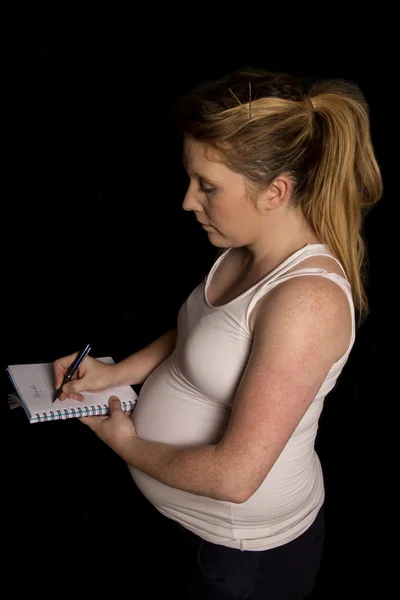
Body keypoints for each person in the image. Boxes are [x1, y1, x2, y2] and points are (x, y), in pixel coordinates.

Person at [53, 67, 382, 599]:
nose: (188, 201)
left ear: (275, 192)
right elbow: (198, 335)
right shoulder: (242, 249)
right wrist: (117, 372)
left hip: (235, 558)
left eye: (208, 187)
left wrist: (128, 444)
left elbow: (235, 478)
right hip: (183, 528)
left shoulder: (306, 302)